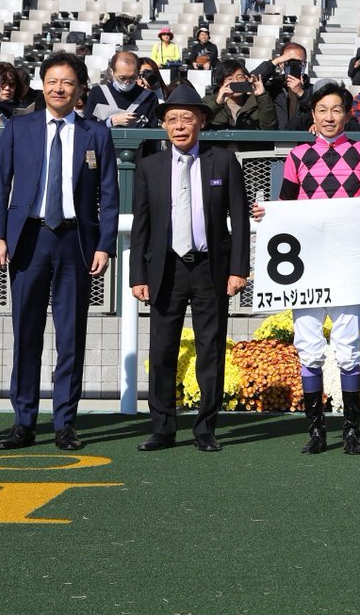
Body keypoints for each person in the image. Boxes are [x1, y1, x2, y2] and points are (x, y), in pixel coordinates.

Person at [252, 82, 360, 454]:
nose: (329, 117)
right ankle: (316, 431)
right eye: (322, 110)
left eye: (336, 110)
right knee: (309, 348)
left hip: (350, 267)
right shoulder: (298, 156)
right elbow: (286, 208)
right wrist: (267, 214)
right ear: (313, 115)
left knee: (348, 349)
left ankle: (352, 431)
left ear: (346, 114)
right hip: (310, 269)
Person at [0, 51, 120, 451]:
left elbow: (108, 194)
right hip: (28, 239)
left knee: (71, 335)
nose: (59, 88)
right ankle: (23, 421)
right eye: (52, 81)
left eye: (67, 82)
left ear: (80, 90)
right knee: (26, 333)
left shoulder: (96, 133)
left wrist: (105, 244)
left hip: (75, 241)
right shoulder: (18, 127)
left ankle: (65, 421)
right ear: (42, 84)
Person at [129, 85, 249, 452]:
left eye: (186, 118)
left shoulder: (223, 160)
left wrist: (238, 268)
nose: (179, 126)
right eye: (172, 120)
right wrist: (137, 275)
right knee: (162, 348)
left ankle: (205, 429)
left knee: (209, 348)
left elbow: (240, 220)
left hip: (211, 267)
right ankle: (162, 427)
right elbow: (141, 226)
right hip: (165, 268)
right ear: (164, 125)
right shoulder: (149, 166)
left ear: (201, 121)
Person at [82, 50, 159, 128]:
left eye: (132, 78)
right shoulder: (97, 93)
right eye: (122, 78)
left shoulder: (149, 97)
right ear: (112, 72)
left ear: (138, 72)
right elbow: (87, 126)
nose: (127, 82)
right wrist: (111, 122)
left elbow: (153, 132)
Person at [203, 58, 277, 130]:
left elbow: (269, 127)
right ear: (220, 83)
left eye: (240, 77)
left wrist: (262, 96)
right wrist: (217, 104)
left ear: (246, 79)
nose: (235, 81)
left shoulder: (258, 102)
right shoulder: (208, 102)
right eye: (230, 79)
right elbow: (198, 124)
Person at [261, 43, 313, 131]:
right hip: (275, 139)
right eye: (289, 62)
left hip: (303, 141)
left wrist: (301, 93)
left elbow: (319, 111)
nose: (294, 65)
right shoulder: (272, 88)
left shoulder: (313, 90)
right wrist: (274, 62)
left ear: (305, 64)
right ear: (281, 64)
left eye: (299, 62)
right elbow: (252, 82)